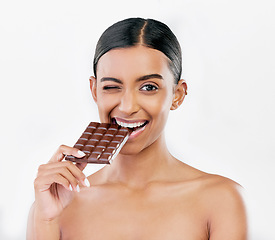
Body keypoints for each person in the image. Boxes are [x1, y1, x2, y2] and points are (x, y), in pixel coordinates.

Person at [27, 17, 247, 239]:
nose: (127, 106)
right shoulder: (54, 206)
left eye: (148, 87)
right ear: (94, 91)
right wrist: (47, 222)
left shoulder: (221, 200)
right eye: (112, 87)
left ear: (177, 95)